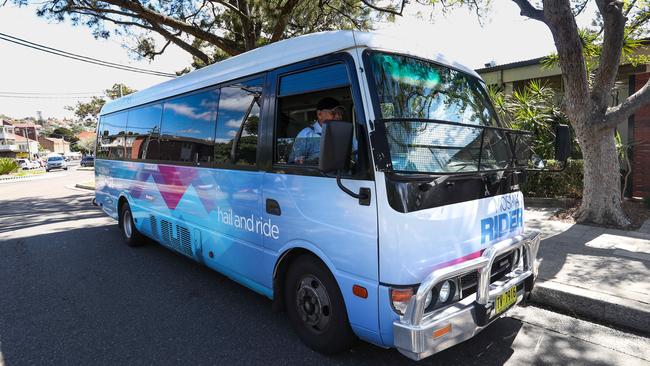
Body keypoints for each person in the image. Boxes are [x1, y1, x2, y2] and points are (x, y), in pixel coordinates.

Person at [289, 97, 345, 165]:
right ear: (319, 114)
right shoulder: (307, 134)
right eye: (333, 113)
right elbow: (294, 163)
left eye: (340, 114)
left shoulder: (345, 133)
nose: (338, 117)